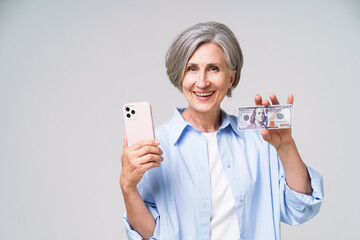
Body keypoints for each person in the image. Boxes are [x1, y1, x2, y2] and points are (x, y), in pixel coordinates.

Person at [120, 22, 323, 240]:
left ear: (231, 78)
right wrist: (128, 188)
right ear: (180, 76)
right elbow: (153, 235)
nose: (202, 82)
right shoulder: (156, 145)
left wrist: (286, 148)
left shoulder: (259, 138)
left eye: (213, 68)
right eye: (192, 69)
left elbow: (300, 208)